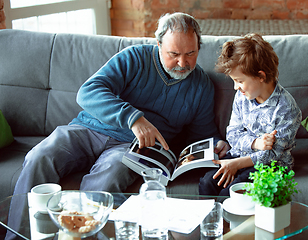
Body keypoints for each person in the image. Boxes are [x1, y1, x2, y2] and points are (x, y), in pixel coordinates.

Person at [12, 12, 230, 200]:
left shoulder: (201, 85)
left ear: (198, 48)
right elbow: (88, 91)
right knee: (38, 157)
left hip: (131, 149)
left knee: (108, 179)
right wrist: (133, 118)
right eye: (174, 54)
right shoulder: (134, 57)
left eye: (190, 54)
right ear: (158, 46)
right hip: (87, 130)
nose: (183, 63)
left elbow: (202, 133)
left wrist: (217, 144)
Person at [199, 33, 302, 197]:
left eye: (239, 81)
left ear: (261, 76)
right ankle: (211, 222)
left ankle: (230, 223)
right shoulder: (242, 96)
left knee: (231, 192)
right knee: (207, 182)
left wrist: (237, 164)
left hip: (271, 165)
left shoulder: (286, 108)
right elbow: (232, 134)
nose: (235, 87)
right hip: (242, 154)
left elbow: (273, 154)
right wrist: (256, 143)